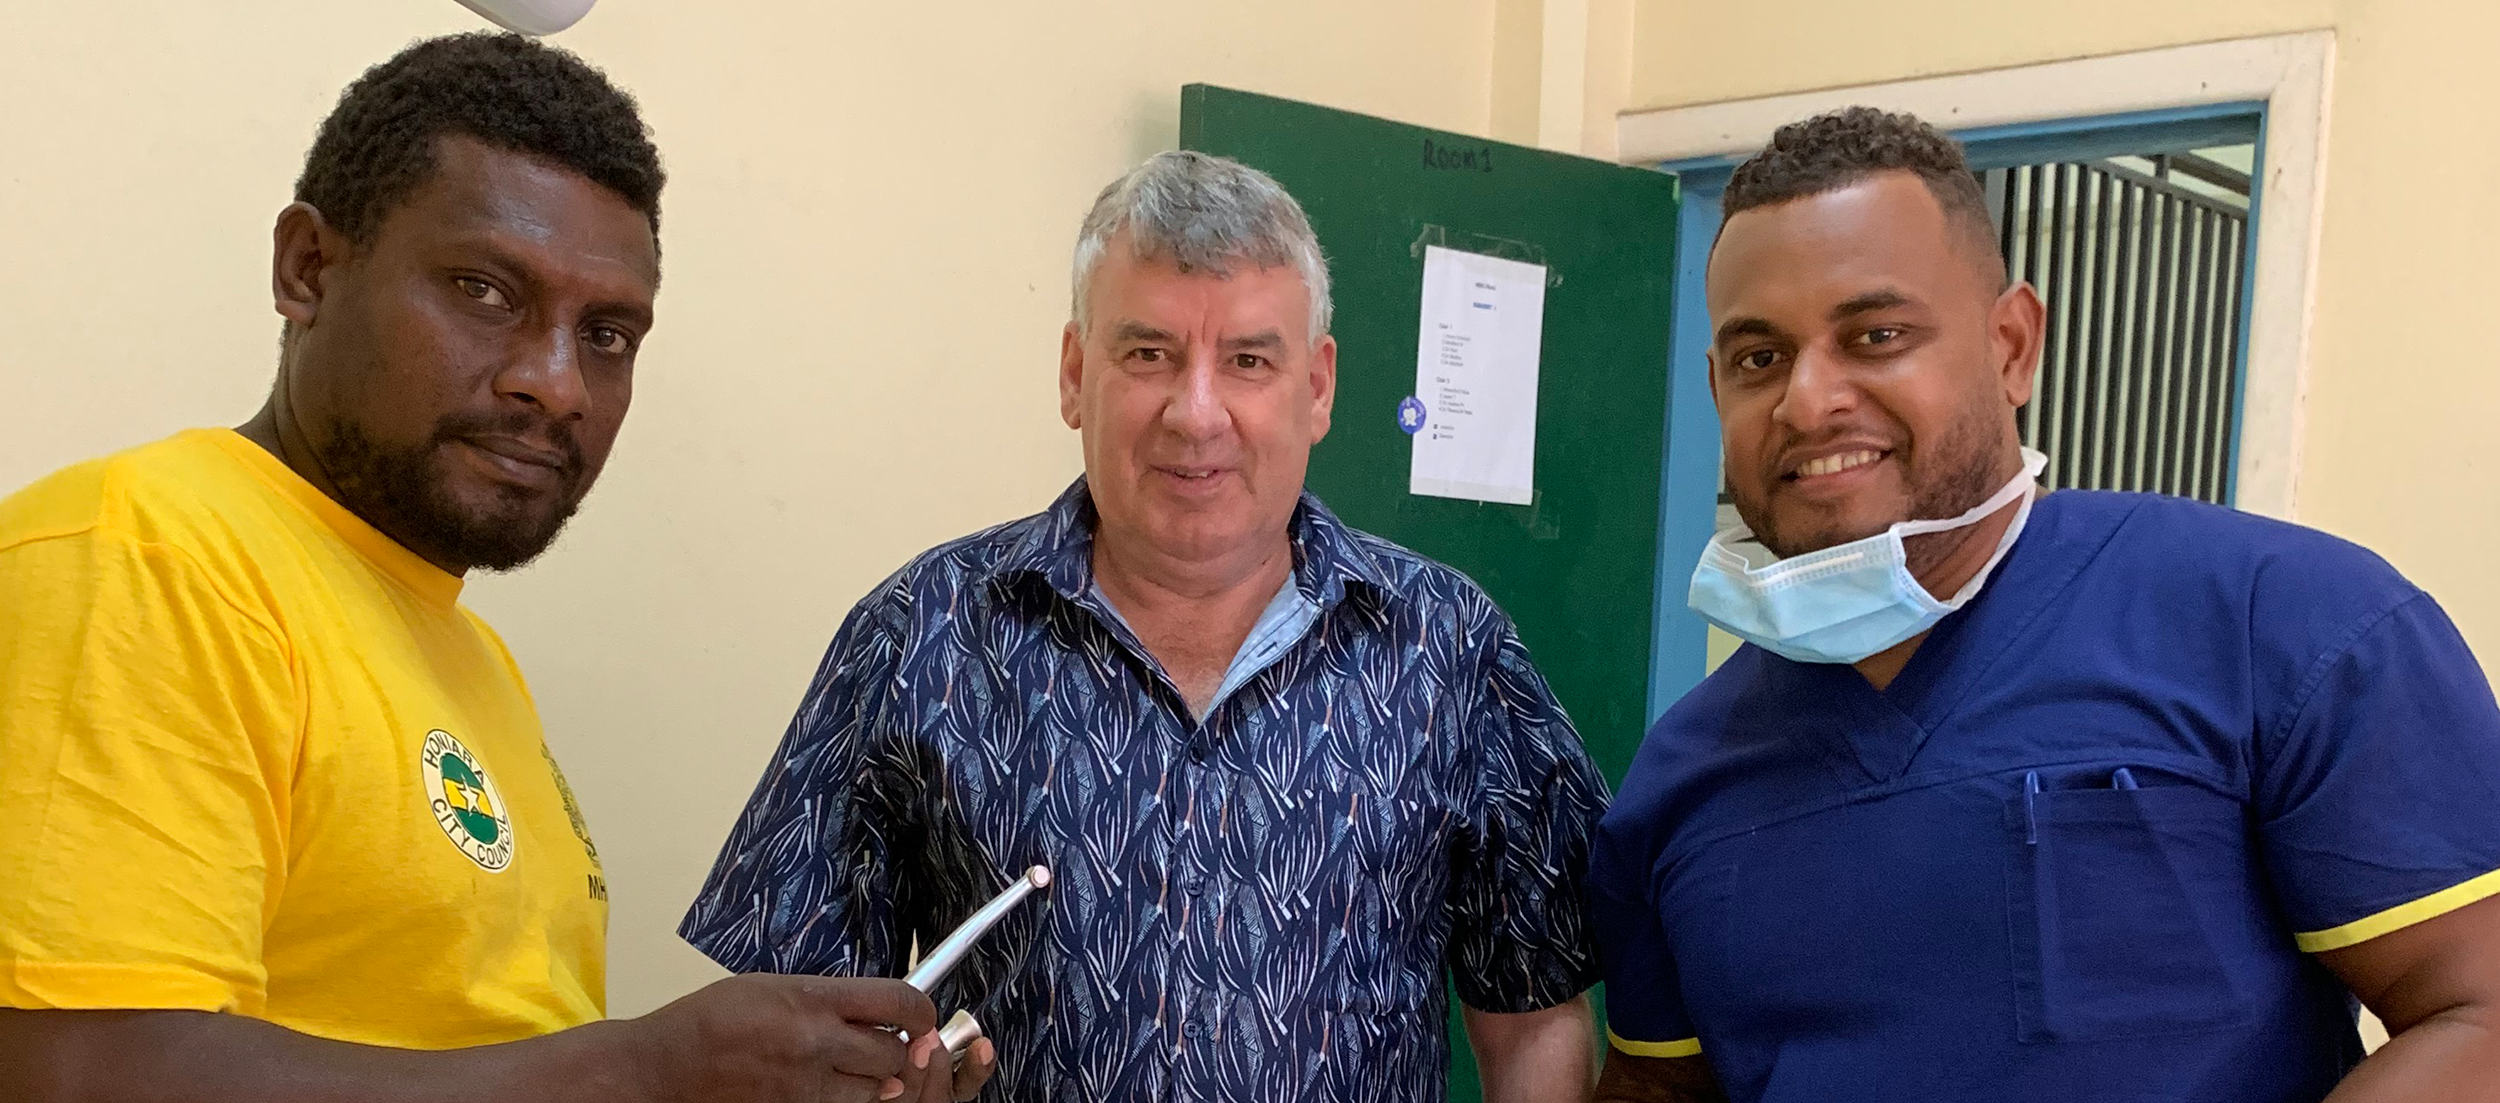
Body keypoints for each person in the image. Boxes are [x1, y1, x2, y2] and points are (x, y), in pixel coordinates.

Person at [0, 33, 988, 1103]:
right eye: (484, 289)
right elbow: (75, 1073)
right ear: (307, 268)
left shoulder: (472, 656)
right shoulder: (144, 555)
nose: (556, 384)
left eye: (607, 335)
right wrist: (644, 1071)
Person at [1589, 106, 2500, 1103]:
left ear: (2012, 344)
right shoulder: (1680, 779)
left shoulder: (2282, 626)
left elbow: (2477, 1013)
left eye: (1876, 335)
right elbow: (1658, 1090)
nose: (1808, 401)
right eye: (1760, 359)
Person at [682, 150, 1610, 1103]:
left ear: (1319, 387)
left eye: (1248, 361)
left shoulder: (1451, 651)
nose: (1195, 414)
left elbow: (1535, 1017)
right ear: (1074, 373)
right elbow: (787, 1032)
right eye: (1148, 354)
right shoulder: (918, 636)